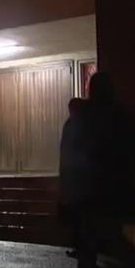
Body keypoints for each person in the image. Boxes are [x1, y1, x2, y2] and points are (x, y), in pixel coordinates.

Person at [70, 72, 134, 268]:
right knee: (118, 234)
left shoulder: (82, 117)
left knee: (91, 233)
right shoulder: (120, 116)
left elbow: (70, 155)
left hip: (91, 188)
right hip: (113, 188)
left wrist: (69, 190)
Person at [58, 97, 86, 258]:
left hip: (78, 181)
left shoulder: (76, 124)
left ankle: (82, 250)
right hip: (78, 180)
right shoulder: (78, 124)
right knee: (79, 219)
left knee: (80, 219)